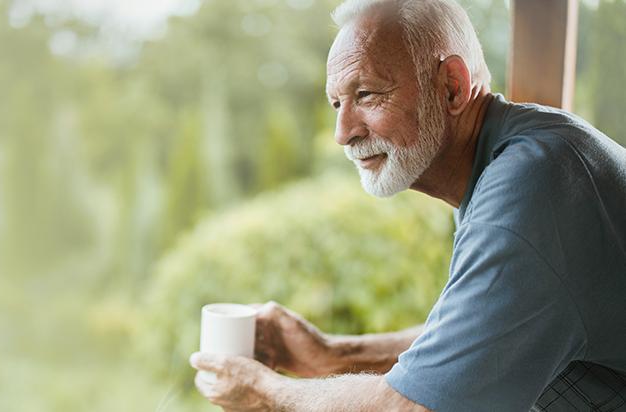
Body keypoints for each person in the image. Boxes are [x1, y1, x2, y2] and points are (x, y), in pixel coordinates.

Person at [187, 0, 626, 410]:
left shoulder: (532, 187)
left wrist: (265, 391)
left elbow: (416, 407)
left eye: (366, 95)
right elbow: (476, 337)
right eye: (337, 103)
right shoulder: (517, 159)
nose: (343, 132)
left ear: (452, 87)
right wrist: (331, 355)